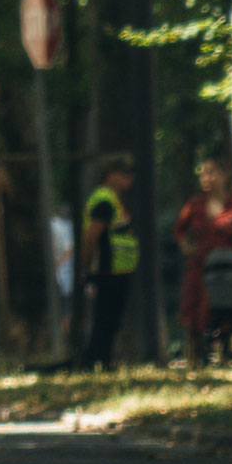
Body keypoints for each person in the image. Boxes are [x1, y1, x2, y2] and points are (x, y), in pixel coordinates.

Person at [174, 156, 232, 364]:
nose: (207, 178)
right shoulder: (194, 204)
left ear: (225, 175)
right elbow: (179, 229)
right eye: (203, 173)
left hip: (225, 270)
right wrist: (187, 246)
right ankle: (195, 357)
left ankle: (227, 353)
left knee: (225, 309)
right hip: (199, 266)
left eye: (212, 172)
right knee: (193, 309)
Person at [78, 154, 138, 368]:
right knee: (105, 318)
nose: (129, 180)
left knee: (112, 319)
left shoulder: (113, 199)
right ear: (111, 174)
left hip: (118, 270)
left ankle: (103, 358)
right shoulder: (104, 199)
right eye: (125, 174)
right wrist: (84, 266)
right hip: (107, 269)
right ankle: (96, 359)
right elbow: (92, 236)